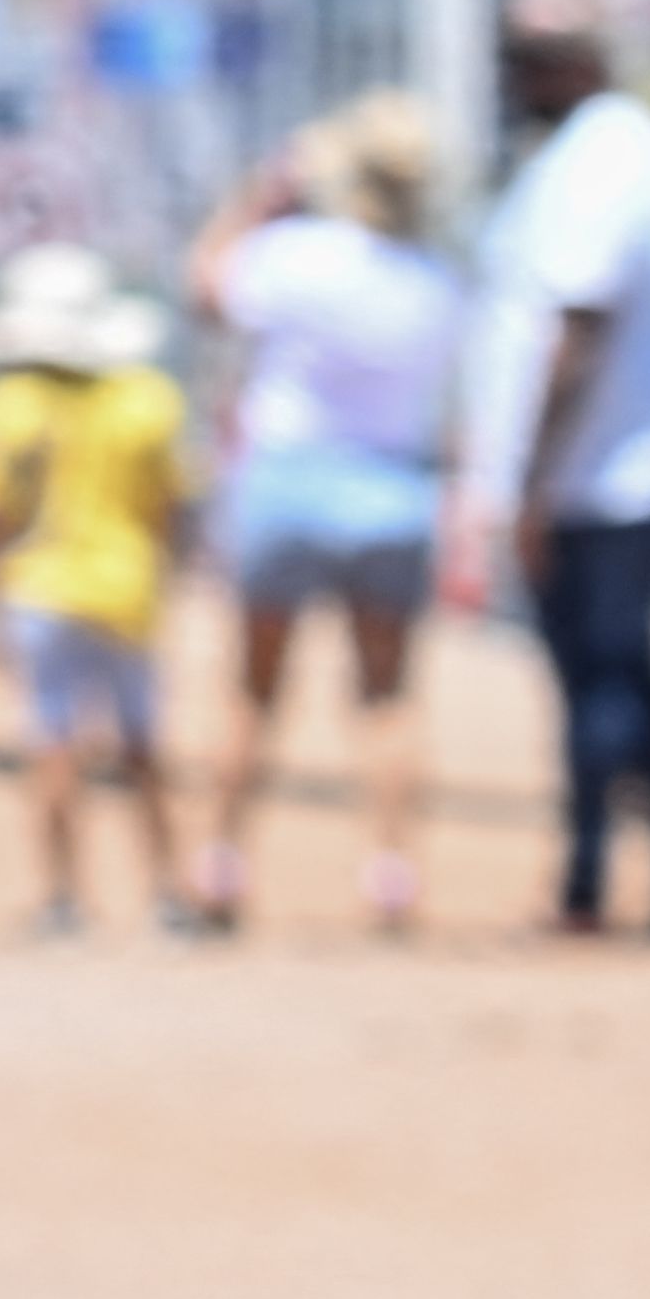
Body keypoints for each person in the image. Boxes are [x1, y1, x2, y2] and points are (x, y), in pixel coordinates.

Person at [465, 0, 650, 941]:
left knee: (604, 682)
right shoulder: (590, 155)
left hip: (608, 477)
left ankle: (592, 882)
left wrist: (529, 483)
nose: (512, 82)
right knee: (625, 678)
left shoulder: (604, 156)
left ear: (576, 63)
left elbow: (579, 328)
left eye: (525, 62)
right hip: (604, 471)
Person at [190, 95, 459, 938]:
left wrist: (255, 199)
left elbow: (204, 285)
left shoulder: (294, 254)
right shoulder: (435, 280)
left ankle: (223, 866)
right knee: (385, 695)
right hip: (391, 489)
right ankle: (390, 874)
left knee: (253, 691)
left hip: (288, 481)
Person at [0, 243, 194, 937]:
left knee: (52, 742)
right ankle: (165, 898)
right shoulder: (146, 401)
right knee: (142, 746)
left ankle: (63, 898)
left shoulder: (10, 404)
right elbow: (168, 511)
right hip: (126, 590)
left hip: (39, 591)